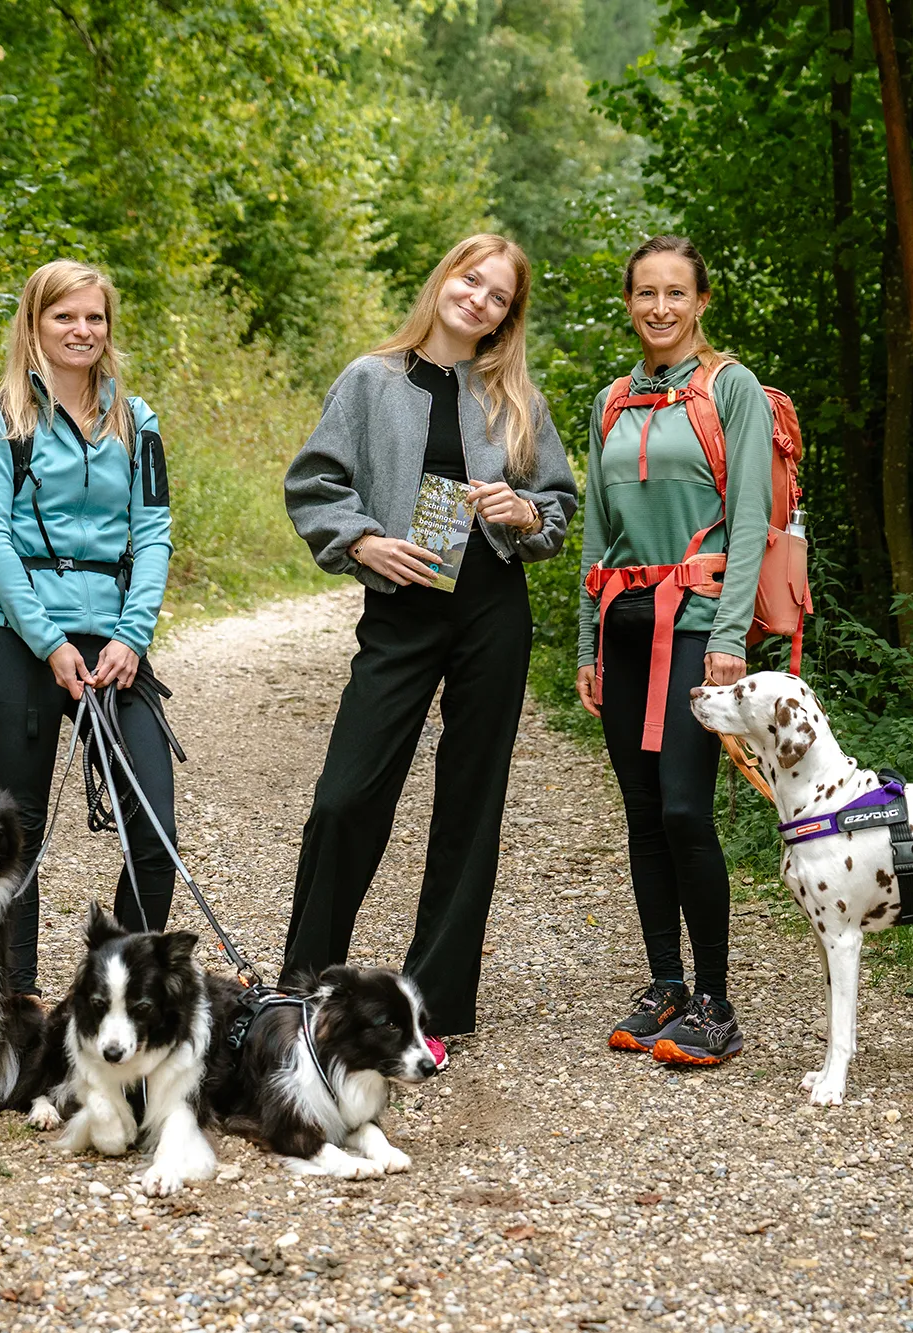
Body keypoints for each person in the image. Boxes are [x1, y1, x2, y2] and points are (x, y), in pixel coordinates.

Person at [281, 233, 578, 1052]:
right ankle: (302, 989)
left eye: (497, 296)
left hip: (492, 612)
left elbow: (554, 504)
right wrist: (362, 541)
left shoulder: (513, 397)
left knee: (469, 806)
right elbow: (313, 482)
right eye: (469, 279)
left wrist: (525, 515)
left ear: (505, 318)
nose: (477, 299)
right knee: (346, 795)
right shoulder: (372, 379)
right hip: (404, 610)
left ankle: (435, 1003)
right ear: (444, 278)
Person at [576, 236, 776, 1067]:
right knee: (644, 811)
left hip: (698, 625)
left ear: (701, 301)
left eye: (675, 293)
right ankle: (667, 985)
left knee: (688, 807)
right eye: (645, 293)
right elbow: (596, 528)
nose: (659, 307)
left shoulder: (731, 390)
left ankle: (719, 1002)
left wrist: (729, 639)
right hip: (624, 622)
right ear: (629, 302)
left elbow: (754, 518)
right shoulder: (612, 400)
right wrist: (586, 639)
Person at [0, 259, 177, 998]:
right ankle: (11, 1007)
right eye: (65, 316)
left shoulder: (134, 418)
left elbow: (154, 532)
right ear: (35, 323)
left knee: (154, 830)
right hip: (17, 634)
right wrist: (49, 642)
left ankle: (125, 993)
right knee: (11, 841)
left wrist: (133, 634)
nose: (82, 330)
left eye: (95, 317)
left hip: (114, 639)